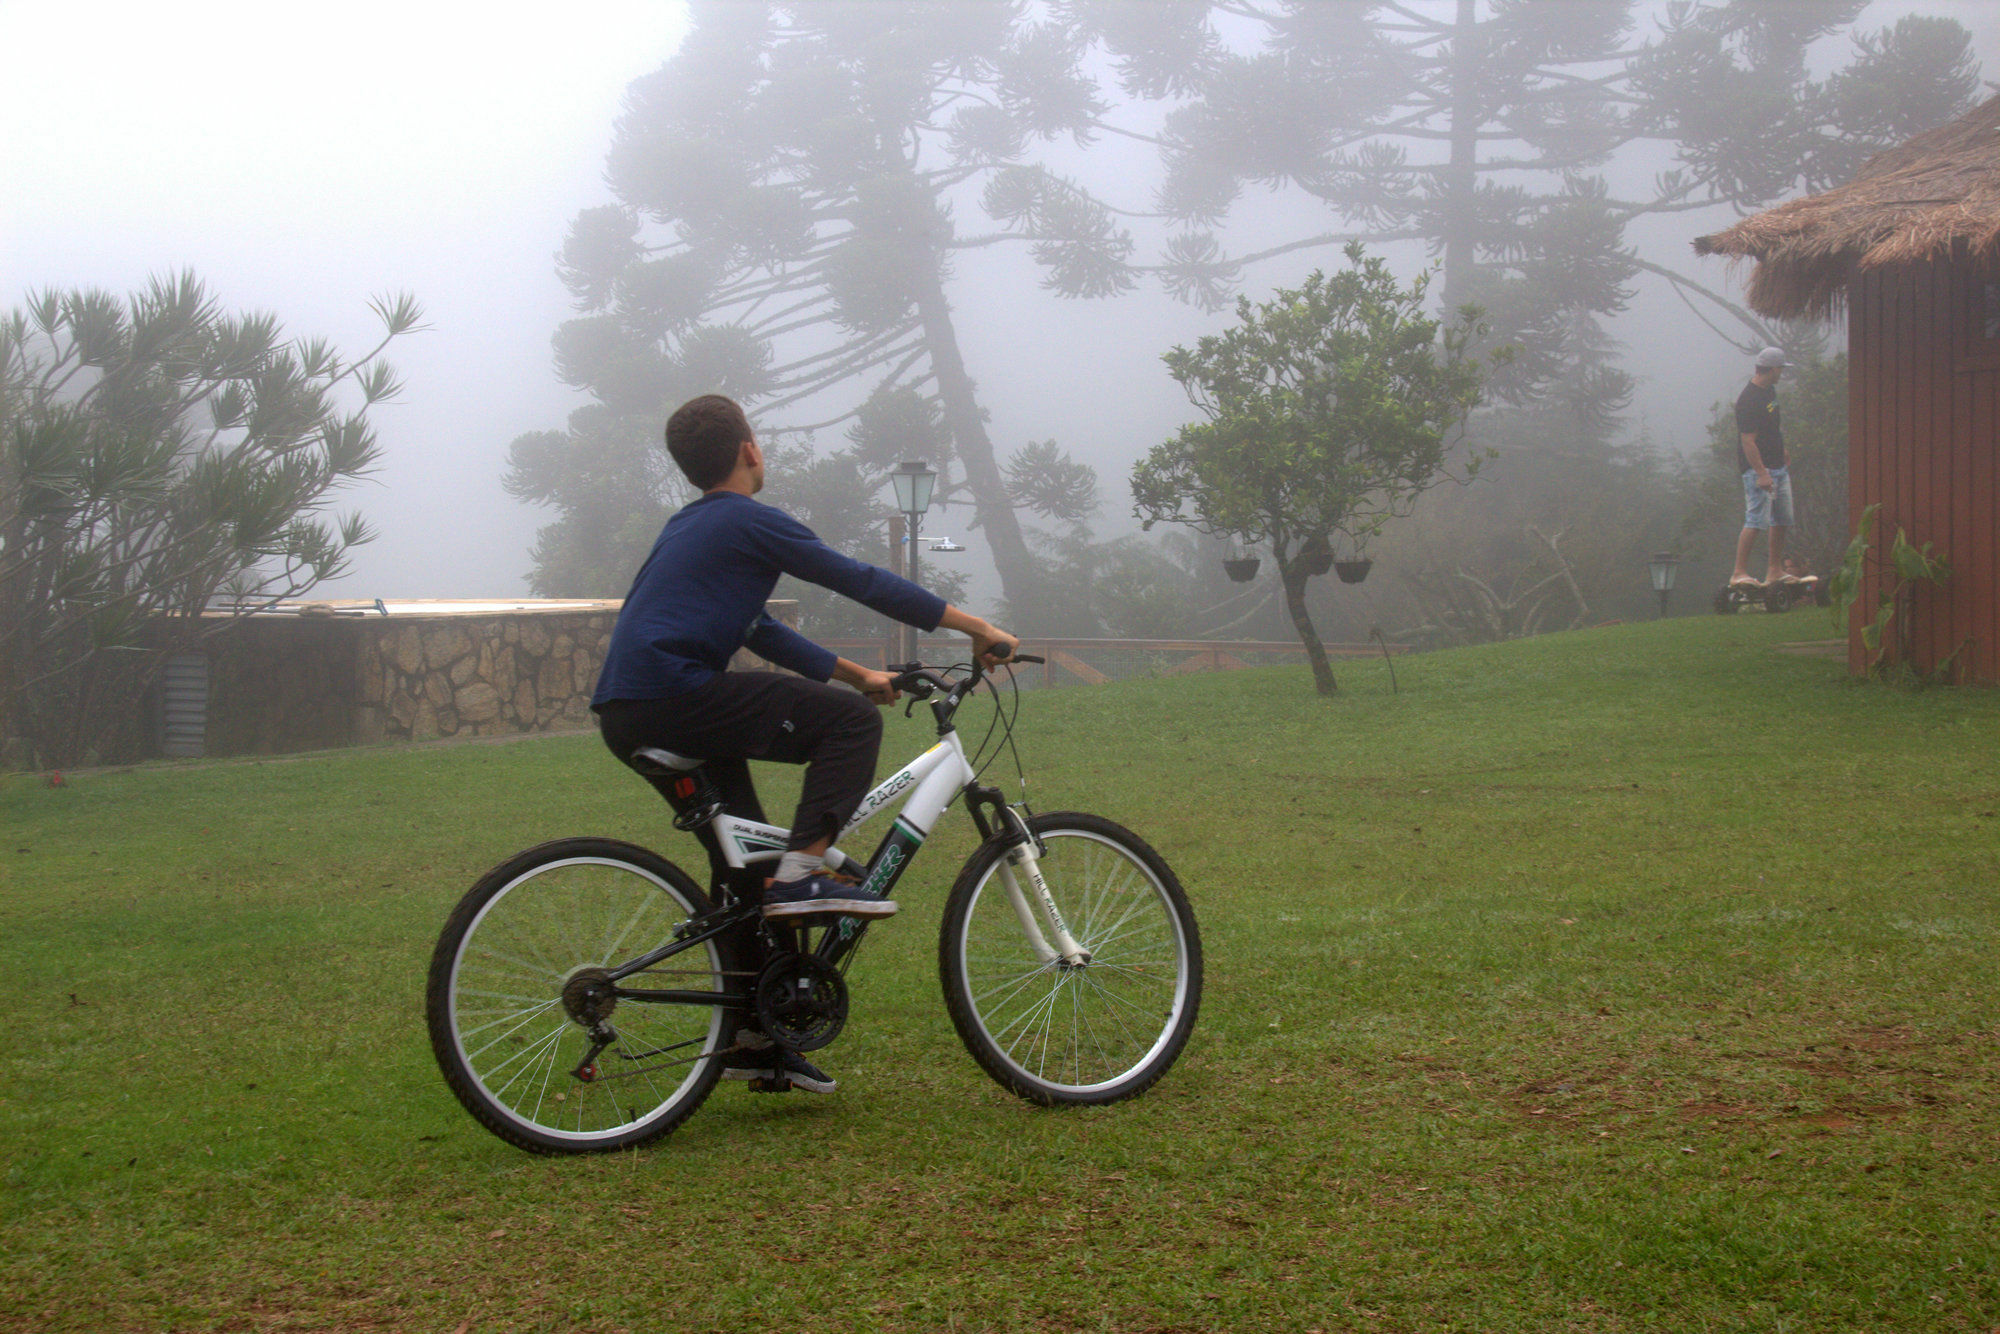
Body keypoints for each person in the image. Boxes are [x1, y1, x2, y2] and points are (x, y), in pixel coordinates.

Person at [590, 394, 1017, 1092]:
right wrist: (974, 627)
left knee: (746, 862)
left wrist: (858, 674)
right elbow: (860, 580)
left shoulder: (692, 527)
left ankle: (761, 1035)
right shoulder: (746, 520)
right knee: (849, 727)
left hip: (630, 710)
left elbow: (759, 629)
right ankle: (805, 873)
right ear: (750, 451)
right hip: (675, 695)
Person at [1729, 346, 1798, 589]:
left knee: (1782, 519)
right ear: (1772, 369)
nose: (1782, 373)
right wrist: (1761, 473)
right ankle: (1739, 572)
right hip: (1759, 470)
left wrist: (1782, 450)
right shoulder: (1748, 400)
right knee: (1756, 519)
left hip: (1778, 464)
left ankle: (1775, 570)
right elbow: (1748, 440)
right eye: (1781, 369)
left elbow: (1772, 427)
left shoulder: (1770, 391)